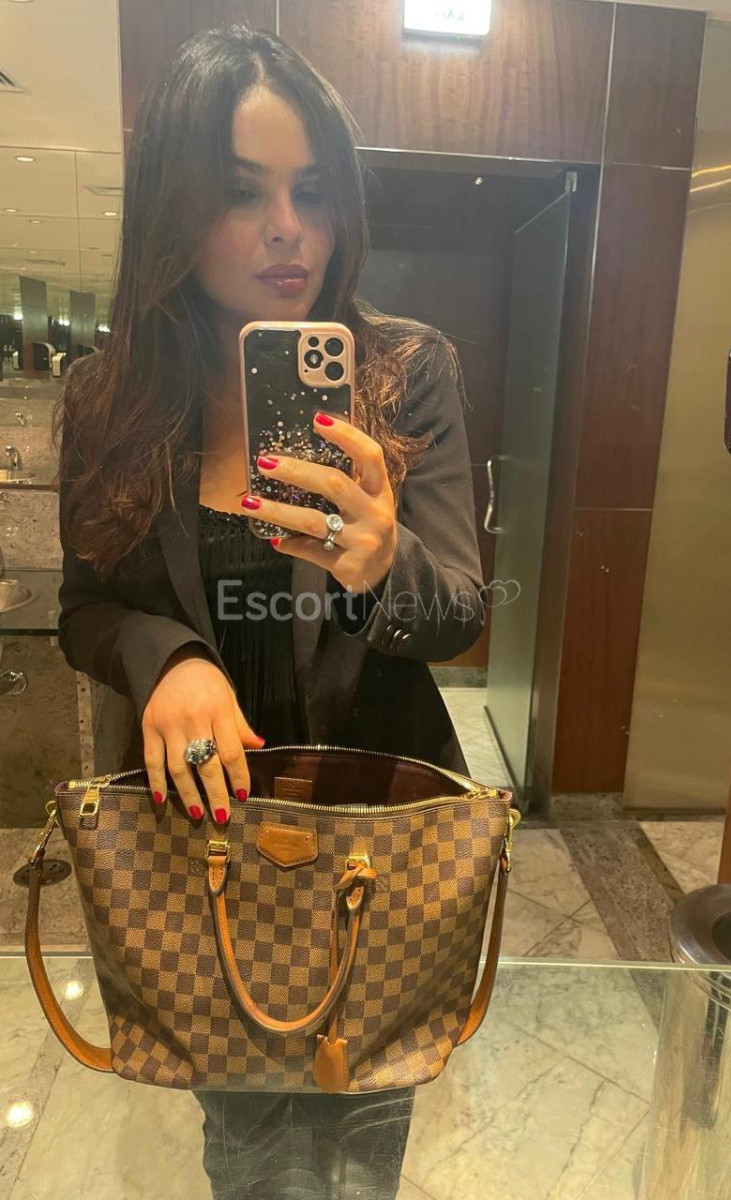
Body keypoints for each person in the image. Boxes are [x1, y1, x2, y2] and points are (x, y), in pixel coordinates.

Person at [54, 24, 486, 1200]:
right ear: (174, 208)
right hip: (198, 841)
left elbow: (460, 611)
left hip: (375, 837)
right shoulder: (110, 398)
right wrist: (168, 658)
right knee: (243, 1141)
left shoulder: (404, 372)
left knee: (363, 1133)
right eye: (242, 193)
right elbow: (85, 607)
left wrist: (380, 562)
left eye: (313, 190)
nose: (288, 227)